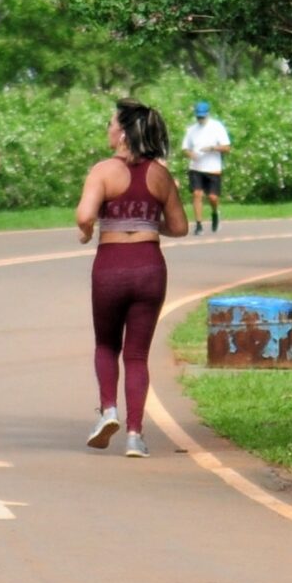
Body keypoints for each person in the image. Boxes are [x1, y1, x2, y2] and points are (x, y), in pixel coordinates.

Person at [76, 99, 187, 456]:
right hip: (150, 266)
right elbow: (180, 227)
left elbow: (84, 215)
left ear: (123, 133)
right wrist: (146, 222)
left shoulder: (103, 171)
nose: (108, 129)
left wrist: (86, 230)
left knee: (107, 344)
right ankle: (136, 436)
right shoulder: (160, 175)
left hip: (111, 265)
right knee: (137, 355)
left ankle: (108, 410)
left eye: (111, 123)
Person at [179, 99, 231, 233]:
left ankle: (215, 213)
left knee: (213, 197)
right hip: (196, 168)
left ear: (207, 114)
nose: (200, 119)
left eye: (202, 116)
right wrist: (190, 154)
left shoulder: (217, 127)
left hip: (213, 167)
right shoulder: (191, 130)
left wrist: (212, 148)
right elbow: (185, 148)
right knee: (197, 194)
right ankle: (198, 224)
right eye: (198, 116)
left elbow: (227, 147)